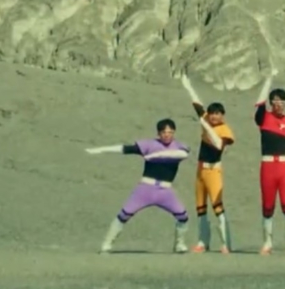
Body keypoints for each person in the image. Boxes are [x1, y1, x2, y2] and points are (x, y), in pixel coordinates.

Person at [86, 118, 192, 254]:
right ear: (158, 133)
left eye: (170, 132)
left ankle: (179, 244)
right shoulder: (149, 144)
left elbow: (182, 154)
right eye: (164, 132)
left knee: (182, 216)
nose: (167, 135)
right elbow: (126, 149)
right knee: (124, 215)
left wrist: (156, 155)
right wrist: (101, 149)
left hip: (165, 191)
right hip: (145, 189)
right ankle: (107, 244)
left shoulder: (179, 146)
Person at [180, 75, 236, 254]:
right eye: (211, 113)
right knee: (200, 207)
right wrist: (188, 85)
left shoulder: (224, 130)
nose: (213, 116)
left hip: (214, 171)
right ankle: (203, 241)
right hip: (200, 169)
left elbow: (219, 145)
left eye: (217, 113)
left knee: (217, 206)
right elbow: (197, 105)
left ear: (222, 115)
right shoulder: (206, 120)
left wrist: (206, 127)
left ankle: (226, 242)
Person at [253, 71, 285, 255]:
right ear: (271, 102)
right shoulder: (264, 118)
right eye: (276, 101)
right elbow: (259, 104)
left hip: (284, 167)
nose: (279, 104)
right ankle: (267, 243)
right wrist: (268, 80)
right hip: (268, 166)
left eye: (283, 102)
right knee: (267, 206)